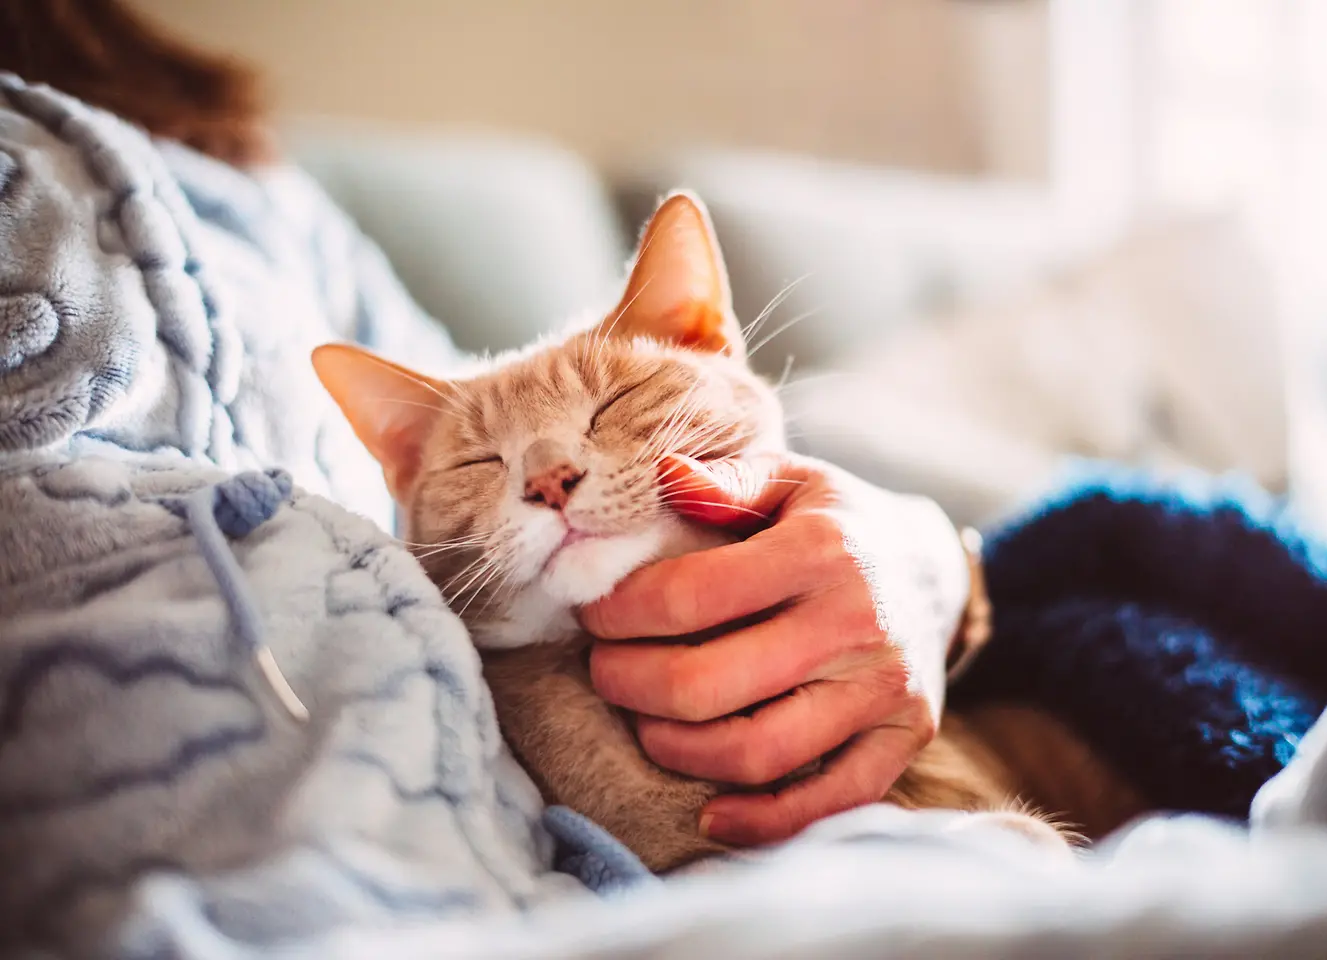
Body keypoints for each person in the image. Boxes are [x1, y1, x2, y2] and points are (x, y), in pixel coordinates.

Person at [0, 0, 969, 849]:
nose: (550, 474)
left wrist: (942, 572)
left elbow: (467, 399)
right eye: (482, 463)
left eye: (616, 407)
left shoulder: (254, 187)